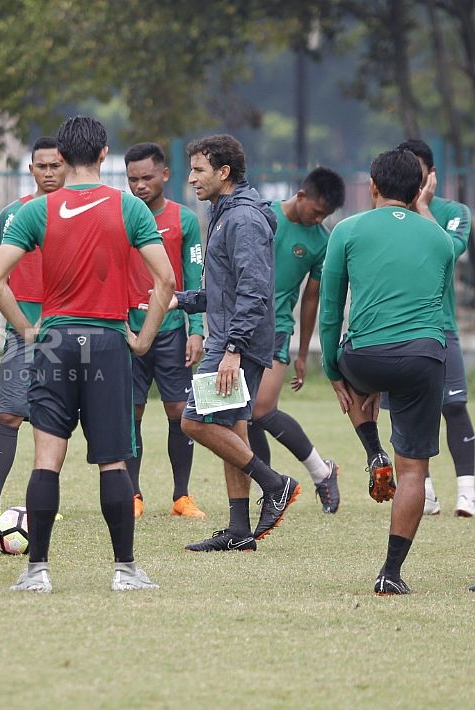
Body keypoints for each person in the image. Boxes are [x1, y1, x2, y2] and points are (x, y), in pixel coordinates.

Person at [0, 115, 175, 593]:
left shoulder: (37, 211)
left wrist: (29, 330)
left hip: (56, 342)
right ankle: (126, 571)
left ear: (63, 158)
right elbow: (167, 280)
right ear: (105, 153)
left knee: (46, 459)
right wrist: (144, 338)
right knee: (113, 461)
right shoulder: (129, 208)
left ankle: (36, 572)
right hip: (109, 343)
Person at [318, 149, 453, 594]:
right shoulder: (440, 240)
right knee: (413, 470)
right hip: (424, 356)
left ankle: (373, 449)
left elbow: (332, 307)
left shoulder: (347, 230)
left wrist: (334, 368)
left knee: (361, 380)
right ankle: (389, 574)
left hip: (364, 357)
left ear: (372, 186)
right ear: (419, 191)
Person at [176, 134, 298, 553]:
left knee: (194, 421)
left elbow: (254, 290)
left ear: (224, 172)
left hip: (235, 344)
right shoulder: (225, 212)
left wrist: (233, 349)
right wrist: (180, 300)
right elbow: (224, 291)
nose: (191, 178)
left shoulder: (242, 218)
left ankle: (276, 484)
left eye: (198, 170)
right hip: (232, 336)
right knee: (230, 428)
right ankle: (239, 530)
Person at [0, 136, 71, 523]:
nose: (49, 172)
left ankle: (45, 501)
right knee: (9, 414)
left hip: (69, 332)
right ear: (31, 170)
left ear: (68, 166)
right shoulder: (11, 215)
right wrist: (23, 325)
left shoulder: (80, 213)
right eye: (41, 166)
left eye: (55, 165)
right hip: (22, 334)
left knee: (54, 418)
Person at [247, 168, 346, 514]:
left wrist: (303, 352)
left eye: (325, 216)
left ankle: (322, 472)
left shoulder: (322, 241)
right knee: (242, 416)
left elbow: (310, 299)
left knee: (261, 409)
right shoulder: (262, 215)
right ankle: (270, 487)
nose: (319, 219)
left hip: (276, 328)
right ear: (301, 196)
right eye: (316, 211)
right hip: (240, 326)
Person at [121, 142, 205, 520]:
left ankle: (181, 496)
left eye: (146, 177)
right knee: (131, 413)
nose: (139, 185)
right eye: (132, 179)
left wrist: (197, 330)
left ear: (165, 175)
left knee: (178, 412)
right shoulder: (120, 216)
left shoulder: (184, 220)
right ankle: (133, 494)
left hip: (171, 329)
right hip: (128, 331)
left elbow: (194, 278)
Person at [394, 140, 474, 517]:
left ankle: (468, 491)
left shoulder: (454, 212)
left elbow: (449, 250)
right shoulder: (388, 216)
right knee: (407, 411)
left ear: (431, 175)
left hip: (441, 327)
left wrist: (423, 207)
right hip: (398, 330)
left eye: (419, 171)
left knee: (455, 405)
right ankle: (423, 492)